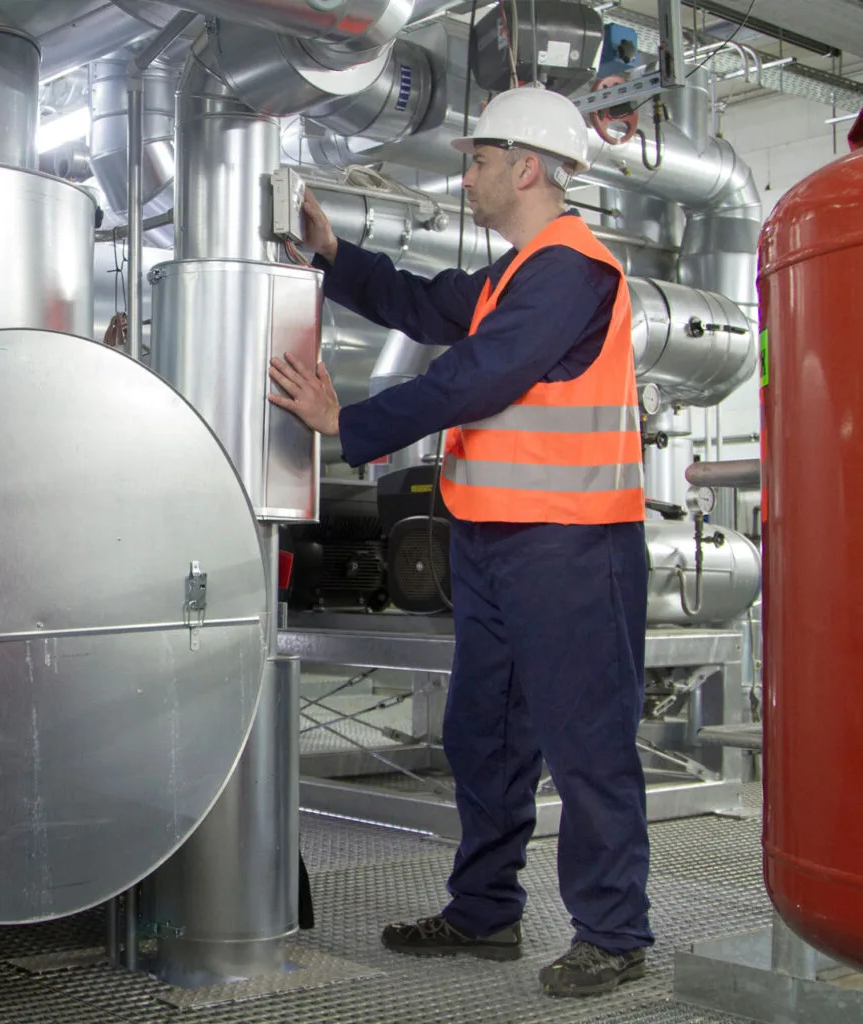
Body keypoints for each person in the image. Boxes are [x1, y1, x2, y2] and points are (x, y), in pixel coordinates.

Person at [268, 85, 653, 998]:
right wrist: (332, 254)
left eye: (477, 160)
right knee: (484, 736)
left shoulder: (573, 269)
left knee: (584, 741)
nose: (465, 174)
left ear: (525, 167)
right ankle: (485, 913)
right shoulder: (516, 273)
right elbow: (431, 304)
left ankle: (614, 932)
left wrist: (347, 421)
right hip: (492, 544)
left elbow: (478, 374)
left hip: (572, 544)